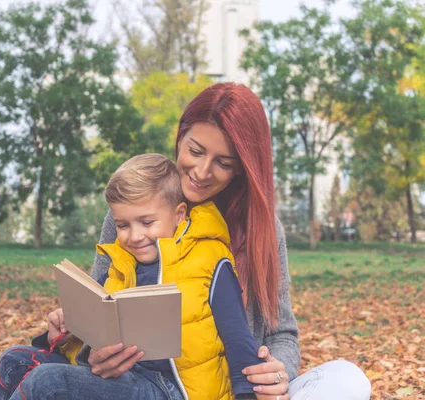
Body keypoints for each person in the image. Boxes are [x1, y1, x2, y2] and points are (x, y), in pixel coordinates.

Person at [87, 83, 372, 400]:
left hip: (240, 388)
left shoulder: (263, 228)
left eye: (223, 162)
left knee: (348, 379)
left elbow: (283, 334)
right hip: (152, 387)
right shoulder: (134, 213)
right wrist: (92, 351)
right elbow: (97, 305)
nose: (202, 171)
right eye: (195, 151)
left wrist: (279, 371)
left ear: (241, 167)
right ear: (180, 138)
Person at [0, 153, 264, 400]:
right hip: (122, 379)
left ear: (178, 215)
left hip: (173, 390)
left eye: (146, 222)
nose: (135, 236)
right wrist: (65, 333)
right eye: (122, 225)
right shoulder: (121, 261)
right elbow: (98, 334)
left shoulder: (209, 258)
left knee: (46, 383)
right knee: (14, 360)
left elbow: (238, 340)